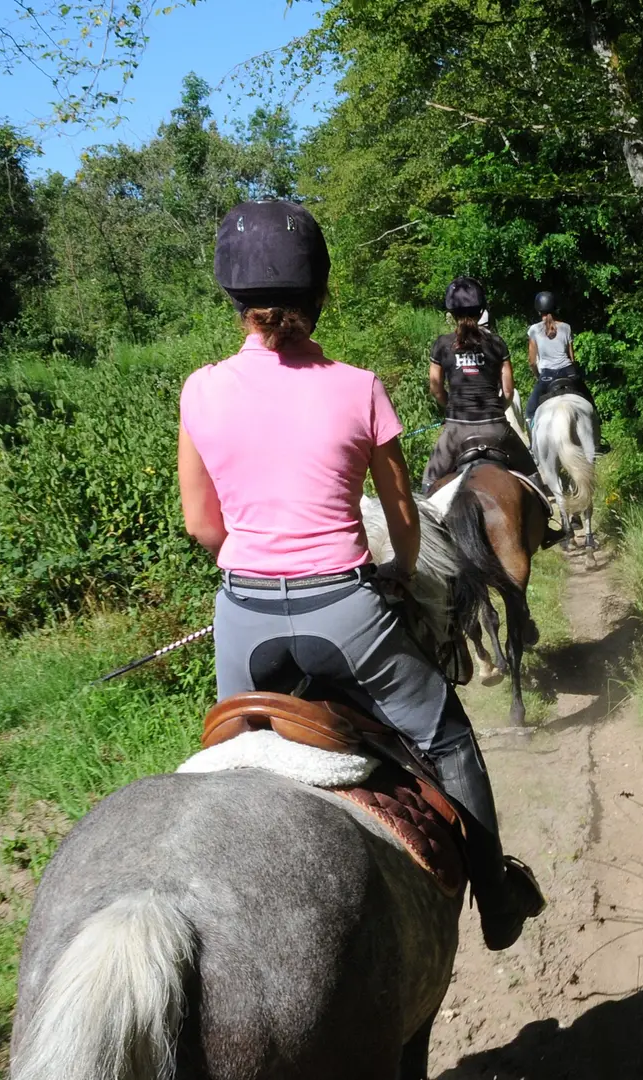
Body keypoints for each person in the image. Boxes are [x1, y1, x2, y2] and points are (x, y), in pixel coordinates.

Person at [178, 201, 544, 950]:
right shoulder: (358, 386)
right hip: (344, 615)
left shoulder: (200, 389)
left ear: (235, 301)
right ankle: (497, 900)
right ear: (320, 294)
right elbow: (404, 518)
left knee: (224, 761)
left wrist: (257, 568)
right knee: (448, 739)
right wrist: (401, 574)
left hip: (243, 621)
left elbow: (202, 526)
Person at [421, 277, 538, 491]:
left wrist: (452, 406)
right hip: (496, 428)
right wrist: (496, 409)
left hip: (456, 430)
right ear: (481, 310)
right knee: (533, 476)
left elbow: (435, 389)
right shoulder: (497, 343)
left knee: (429, 483)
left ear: (451, 313)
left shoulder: (442, 345)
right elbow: (508, 390)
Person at [523, 290, 589, 429]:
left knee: (529, 411)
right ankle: (597, 420)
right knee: (588, 399)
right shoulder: (566, 327)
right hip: (569, 373)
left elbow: (532, 361)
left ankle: (532, 437)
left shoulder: (534, 330)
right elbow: (572, 358)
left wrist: (538, 376)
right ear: (555, 307)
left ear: (538, 310)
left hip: (547, 376)